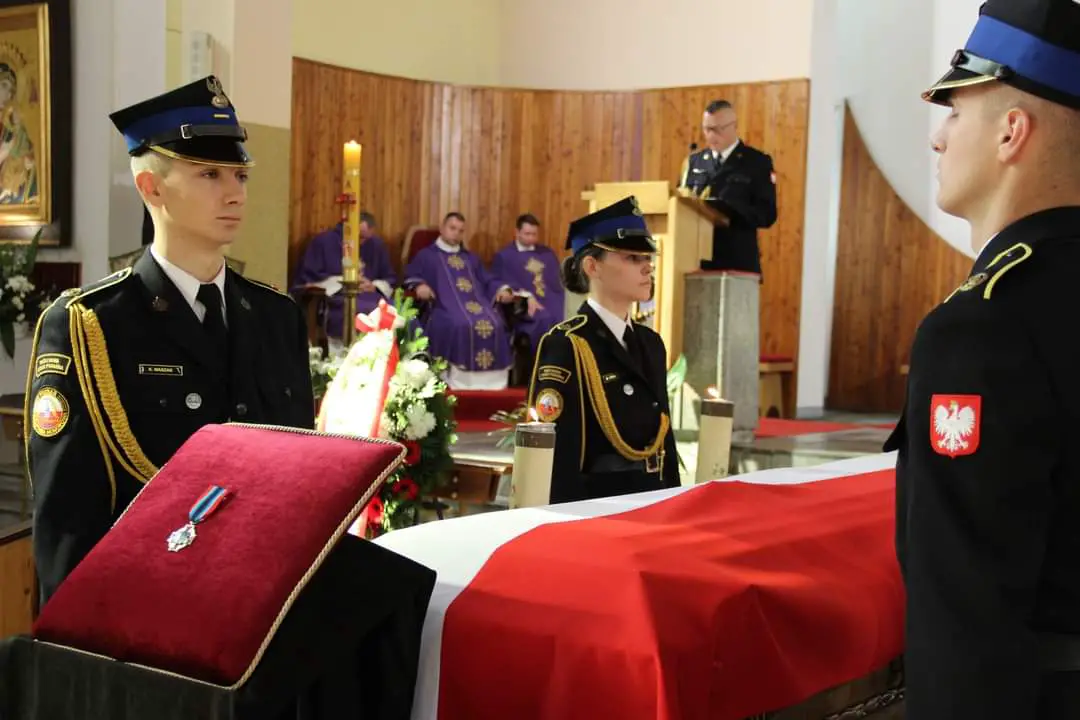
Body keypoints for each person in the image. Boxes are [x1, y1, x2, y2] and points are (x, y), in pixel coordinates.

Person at [26, 75, 315, 602]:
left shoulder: (277, 317)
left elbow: (299, 477)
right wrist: (72, 638)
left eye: (240, 175)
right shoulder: (92, 323)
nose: (235, 193)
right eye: (209, 174)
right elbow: (67, 514)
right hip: (152, 595)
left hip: (264, 593)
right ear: (151, 188)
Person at [884, 1, 1080, 717]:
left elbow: (966, 618)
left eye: (956, 110)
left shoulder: (985, 327)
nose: (938, 136)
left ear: (1011, 131)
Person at [528, 196, 679, 503]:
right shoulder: (568, 344)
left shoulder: (650, 343)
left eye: (647, 258)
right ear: (592, 266)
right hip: (599, 508)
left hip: (653, 501)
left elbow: (664, 443)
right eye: (632, 258)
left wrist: (675, 500)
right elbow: (560, 455)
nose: (647, 267)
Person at [404, 211, 515, 389]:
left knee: (496, 323)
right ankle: (458, 381)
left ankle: (493, 383)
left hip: (478, 306)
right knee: (459, 324)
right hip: (443, 307)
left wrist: (502, 289)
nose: (456, 233)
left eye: (461, 230)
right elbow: (411, 275)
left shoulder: (471, 258)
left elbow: (487, 279)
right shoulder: (426, 256)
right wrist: (420, 286)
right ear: (442, 228)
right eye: (452, 228)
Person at [680, 100, 777, 276]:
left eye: (717, 129)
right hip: (696, 262)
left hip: (737, 262)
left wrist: (730, 210)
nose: (711, 136)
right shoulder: (695, 162)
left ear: (734, 126)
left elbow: (767, 214)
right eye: (707, 129)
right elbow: (681, 203)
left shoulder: (756, 162)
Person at [291, 211, 397, 350]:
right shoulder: (323, 242)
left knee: (396, 311)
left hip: (370, 296)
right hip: (337, 299)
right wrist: (346, 282)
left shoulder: (376, 244)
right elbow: (309, 280)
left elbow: (389, 278)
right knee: (365, 312)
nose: (362, 243)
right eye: (360, 237)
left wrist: (374, 286)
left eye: (366, 238)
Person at [490, 213, 565, 353]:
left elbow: (557, 282)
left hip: (550, 300)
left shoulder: (547, 254)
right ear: (517, 232)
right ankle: (539, 361)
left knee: (561, 317)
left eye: (534, 234)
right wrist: (524, 295)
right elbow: (500, 283)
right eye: (527, 234)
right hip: (523, 304)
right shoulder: (505, 256)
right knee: (543, 318)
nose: (531, 238)